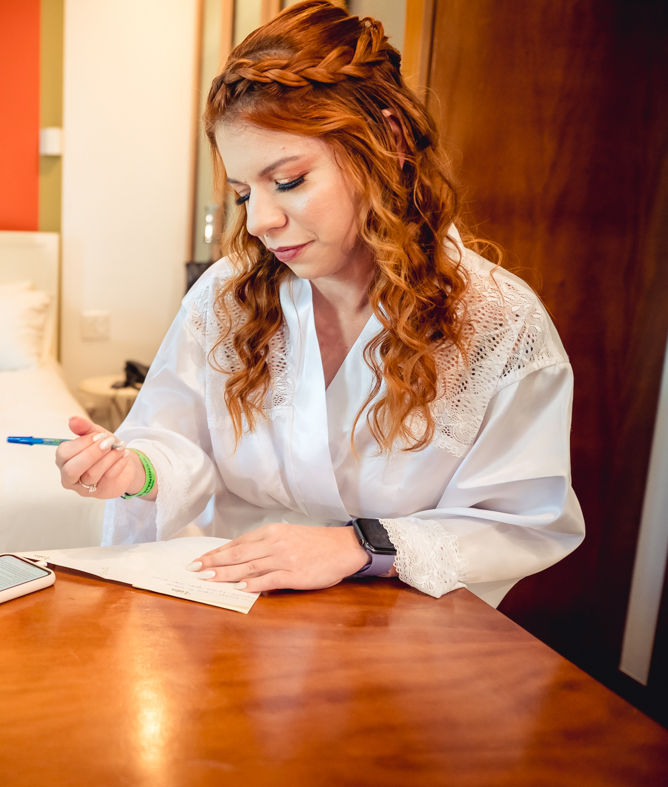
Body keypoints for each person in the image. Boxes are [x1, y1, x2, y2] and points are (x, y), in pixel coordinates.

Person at [55, 0, 584, 606]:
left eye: (288, 182)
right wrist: (133, 470)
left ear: (386, 139)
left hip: (397, 629)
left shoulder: (498, 322)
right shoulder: (227, 298)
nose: (260, 221)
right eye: (241, 192)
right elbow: (178, 442)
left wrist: (362, 547)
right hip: (230, 608)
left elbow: (521, 522)